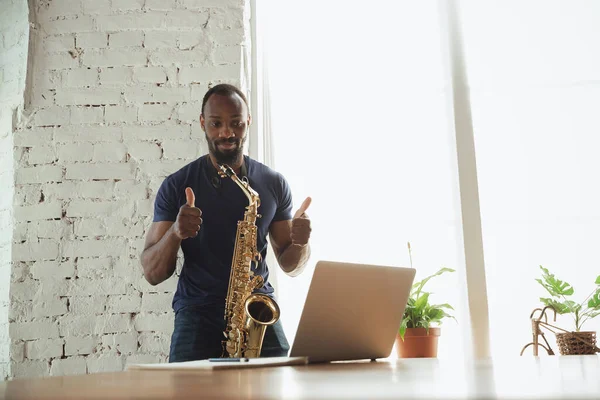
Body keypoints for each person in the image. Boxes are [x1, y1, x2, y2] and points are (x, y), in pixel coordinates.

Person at [140, 83, 312, 362]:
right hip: (197, 312)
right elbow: (152, 273)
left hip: (254, 307)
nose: (227, 133)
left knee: (284, 383)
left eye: (236, 123)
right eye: (216, 123)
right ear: (202, 123)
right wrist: (175, 233)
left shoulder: (273, 183)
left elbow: (290, 264)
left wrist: (301, 243)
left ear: (248, 122)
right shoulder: (177, 185)